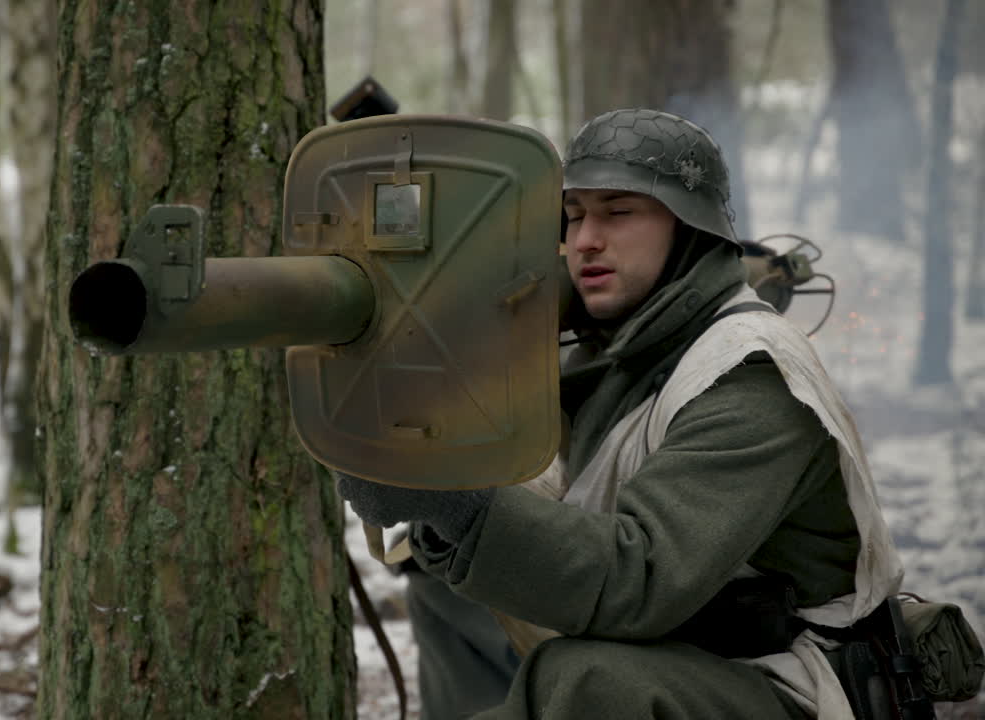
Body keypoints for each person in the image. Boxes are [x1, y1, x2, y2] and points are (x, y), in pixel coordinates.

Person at [338, 108, 904, 720]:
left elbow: (640, 578)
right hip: (676, 654)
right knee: (443, 590)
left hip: (788, 680)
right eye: (575, 214)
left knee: (588, 680)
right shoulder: (621, 349)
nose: (584, 240)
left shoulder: (749, 374)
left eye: (619, 211)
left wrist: (451, 502)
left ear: (690, 230)